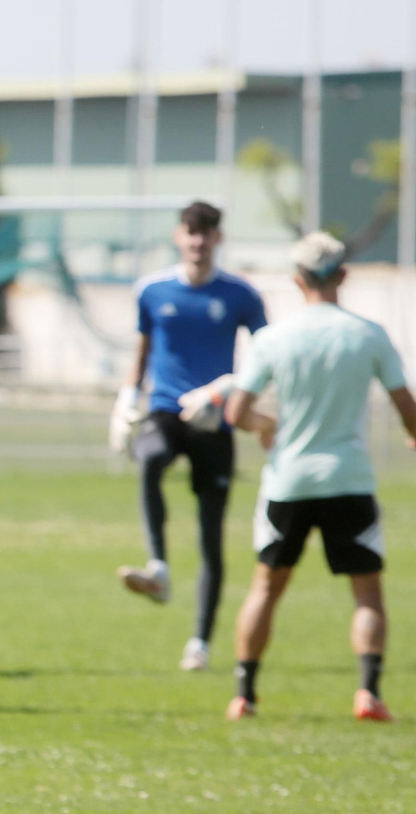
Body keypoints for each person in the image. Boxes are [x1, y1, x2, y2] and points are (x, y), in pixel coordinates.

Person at [223, 232, 416, 723]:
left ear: (297, 280)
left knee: (265, 589)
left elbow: (236, 411)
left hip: (288, 481)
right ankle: (368, 693)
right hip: (349, 478)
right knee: (367, 591)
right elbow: (405, 403)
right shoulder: (368, 334)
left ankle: (244, 695)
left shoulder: (273, 339)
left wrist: (264, 426)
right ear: (342, 276)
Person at [114, 201, 268, 672]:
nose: (199, 242)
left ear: (218, 238)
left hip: (214, 419)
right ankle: (158, 567)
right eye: (191, 233)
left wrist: (224, 388)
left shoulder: (240, 294)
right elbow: (141, 351)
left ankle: (199, 642)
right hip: (165, 408)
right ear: (178, 236)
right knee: (151, 457)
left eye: (207, 233)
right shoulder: (153, 290)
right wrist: (124, 398)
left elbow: (268, 357)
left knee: (211, 536)